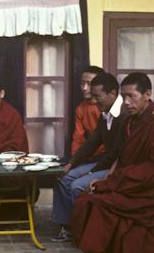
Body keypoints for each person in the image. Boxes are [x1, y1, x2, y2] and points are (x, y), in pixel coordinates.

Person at [71, 73, 154, 253]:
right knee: (86, 198)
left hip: (148, 188)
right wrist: (106, 180)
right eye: (125, 96)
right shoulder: (131, 120)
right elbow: (123, 158)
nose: (127, 102)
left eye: (132, 96)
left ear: (147, 94)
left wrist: (113, 182)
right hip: (131, 181)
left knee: (102, 203)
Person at [51, 72, 127, 243]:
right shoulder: (105, 111)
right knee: (64, 177)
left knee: (77, 185)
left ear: (112, 94)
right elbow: (90, 143)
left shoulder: (124, 115)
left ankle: (84, 232)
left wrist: (91, 171)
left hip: (116, 167)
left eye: (97, 96)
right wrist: (71, 163)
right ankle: (67, 226)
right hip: (104, 163)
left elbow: (116, 155)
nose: (93, 99)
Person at [71, 66, 105, 156]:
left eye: (89, 84)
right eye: (82, 83)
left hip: (106, 156)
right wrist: (74, 158)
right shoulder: (80, 109)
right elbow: (78, 138)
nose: (84, 88)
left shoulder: (106, 107)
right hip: (89, 155)